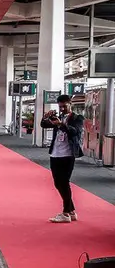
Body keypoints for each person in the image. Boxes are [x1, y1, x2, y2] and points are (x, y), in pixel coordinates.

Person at [41, 94, 84, 223]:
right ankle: (71, 211)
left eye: (64, 106)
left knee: (64, 182)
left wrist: (61, 125)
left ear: (70, 104)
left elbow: (75, 131)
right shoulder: (58, 117)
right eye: (60, 107)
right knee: (58, 183)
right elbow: (44, 125)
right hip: (55, 153)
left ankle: (65, 213)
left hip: (68, 154)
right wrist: (45, 117)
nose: (62, 109)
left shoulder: (77, 118)